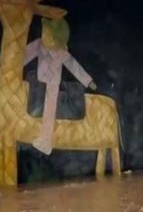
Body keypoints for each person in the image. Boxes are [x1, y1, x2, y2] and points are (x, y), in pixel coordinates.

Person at [24, 17, 97, 155]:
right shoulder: (39, 45)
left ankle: (46, 142)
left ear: (57, 37)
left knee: (50, 108)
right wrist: (12, 65)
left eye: (47, 33)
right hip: (39, 81)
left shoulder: (61, 52)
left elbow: (75, 67)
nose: (44, 34)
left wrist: (88, 81)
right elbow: (24, 55)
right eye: (44, 31)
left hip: (53, 84)